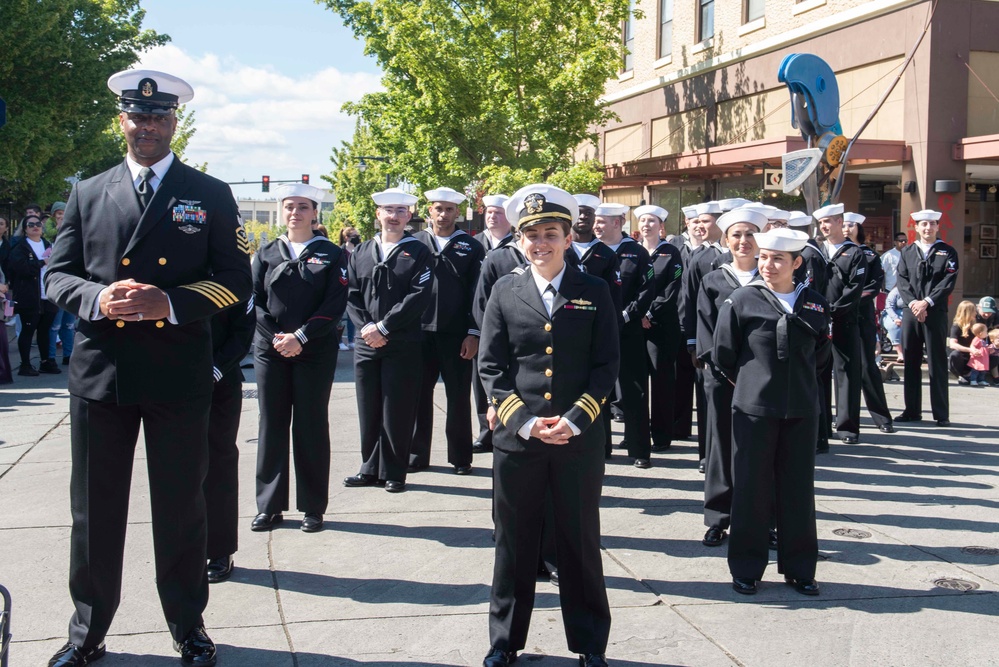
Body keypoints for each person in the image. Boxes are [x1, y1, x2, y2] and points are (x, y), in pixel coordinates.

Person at [43, 69, 252, 666]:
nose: (147, 127)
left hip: (177, 372)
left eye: (159, 117)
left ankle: (189, 625)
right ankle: (86, 632)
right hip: (102, 372)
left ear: (174, 123)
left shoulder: (208, 193)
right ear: (122, 122)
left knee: (182, 508)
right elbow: (57, 274)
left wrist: (173, 303)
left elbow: (237, 280)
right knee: (94, 511)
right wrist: (97, 299)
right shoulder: (89, 192)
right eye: (138, 116)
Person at [479, 184, 619, 667]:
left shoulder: (594, 290)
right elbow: (492, 368)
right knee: (513, 542)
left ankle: (589, 644)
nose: (541, 243)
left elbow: (606, 367)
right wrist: (526, 422)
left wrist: (575, 420)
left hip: (577, 440)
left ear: (567, 237)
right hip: (519, 441)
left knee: (579, 541)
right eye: (532, 235)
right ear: (521, 241)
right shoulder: (504, 289)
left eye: (551, 233)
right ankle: (504, 642)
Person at [713, 228, 830, 597]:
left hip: (801, 411)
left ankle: (800, 569)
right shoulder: (742, 300)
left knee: (798, 490)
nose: (767, 264)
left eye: (777, 259)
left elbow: (823, 358)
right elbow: (723, 357)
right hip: (754, 411)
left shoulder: (813, 303)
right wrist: (753, 389)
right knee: (751, 489)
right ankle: (747, 567)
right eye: (763, 257)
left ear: (796, 263)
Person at [250, 183, 349, 533]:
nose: (295, 212)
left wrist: (301, 336)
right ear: (282, 211)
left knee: (310, 425)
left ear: (314, 213)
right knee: (271, 425)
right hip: (271, 350)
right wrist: (278, 339)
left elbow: (335, 304)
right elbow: (255, 302)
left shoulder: (332, 253)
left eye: (303, 206)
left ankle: (313, 507)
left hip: (314, 351)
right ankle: (269, 506)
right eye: (289, 206)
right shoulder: (266, 253)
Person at [344, 188, 434, 493]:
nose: (393, 216)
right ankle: (369, 467)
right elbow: (351, 294)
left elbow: (418, 297)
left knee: (397, 408)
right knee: (368, 407)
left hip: (402, 342)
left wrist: (384, 327)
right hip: (366, 342)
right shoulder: (361, 251)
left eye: (400, 211)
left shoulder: (420, 252)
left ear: (408, 216)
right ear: (377, 215)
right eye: (388, 210)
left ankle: (395, 471)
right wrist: (367, 328)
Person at [695, 207, 766, 548]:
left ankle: (762, 520)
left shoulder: (771, 280)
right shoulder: (713, 280)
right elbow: (705, 331)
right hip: (722, 377)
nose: (743, 241)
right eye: (736, 235)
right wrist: (724, 370)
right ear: (725, 240)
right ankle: (718, 518)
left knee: (762, 451)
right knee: (720, 446)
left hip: (764, 380)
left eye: (750, 234)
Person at [410, 187, 484, 475]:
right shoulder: (414, 242)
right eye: (438, 209)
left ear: (457, 213)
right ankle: (416, 455)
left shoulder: (471, 246)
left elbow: (478, 294)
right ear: (429, 210)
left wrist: (473, 332)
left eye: (449, 209)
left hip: (456, 335)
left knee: (457, 396)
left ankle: (461, 457)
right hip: (418, 332)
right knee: (418, 395)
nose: (443, 215)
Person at [205, 291, 255, 582]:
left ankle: (218, 549)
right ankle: (181, 549)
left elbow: (242, 331)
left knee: (218, 463)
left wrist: (214, 369)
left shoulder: (229, 272)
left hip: (220, 379)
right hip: (172, 379)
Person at [896, 209, 959, 426]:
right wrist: (914, 303)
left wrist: (927, 302)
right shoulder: (907, 252)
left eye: (932, 224)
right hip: (911, 312)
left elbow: (947, 283)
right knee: (911, 361)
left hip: (935, 312)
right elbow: (902, 281)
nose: (928, 228)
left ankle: (941, 414)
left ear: (938, 227)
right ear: (916, 227)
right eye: (923, 224)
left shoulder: (947, 252)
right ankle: (911, 410)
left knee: (937, 363)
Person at [813, 203, 865, 444]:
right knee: (819, 372)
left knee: (846, 373)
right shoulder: (814, 250)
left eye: (829, 221)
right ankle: (821, 426)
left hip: (844, 320)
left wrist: (834, 311)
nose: (824, 226)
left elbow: (855, 288)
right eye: (821, 222)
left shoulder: (854, 253)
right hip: (818, 321)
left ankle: (847, 427)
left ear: (840, 223)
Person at [680, 201, 724, 470]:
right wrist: (693, 342)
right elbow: (689, 302)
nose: (700, 225)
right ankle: (707, 455)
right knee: (707, 401)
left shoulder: (747, 257)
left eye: (706, 221)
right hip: (708, 342)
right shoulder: (700, 257)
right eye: (697, 221)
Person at [636, 204, 683, 453]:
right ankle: (637, 433)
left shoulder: (671, 252)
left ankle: (662, 436)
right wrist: (638, 313)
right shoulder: (631, 251)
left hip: (662, 325)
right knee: (636, 382)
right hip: (635, 324)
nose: (647, 225)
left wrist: (650, 312)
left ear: (661, 226)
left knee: (662, 380)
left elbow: (672, 288)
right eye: (643, 220)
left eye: (652, 221)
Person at [843, 212, 894, 433]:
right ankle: (844, 421)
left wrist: (852, 299)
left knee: (867, 365)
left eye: (850, 225)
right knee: (841, 369)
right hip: (837, 315)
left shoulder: (870, 255)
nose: (846, 228)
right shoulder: (832, 253)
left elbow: (875, 285)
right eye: (842, 224)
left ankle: (882, 417)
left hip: (861, 313)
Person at [472, 194, 514, 454]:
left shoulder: (517, 245)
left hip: (511, 325)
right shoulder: (473, 243)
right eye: (488, 211)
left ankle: (508, 427)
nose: (492, 216)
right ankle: (485, 432)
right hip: (479, 323)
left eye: (498, 212)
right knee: (481, 382)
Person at [7, 215, 60, 376]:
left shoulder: (47, 244)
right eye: (30, 225)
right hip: (29, 296)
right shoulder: (20, 247)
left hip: (47, 294)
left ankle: (46, 361)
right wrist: (41, 263)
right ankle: (25, 364)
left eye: (38, 224)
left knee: (45, 330)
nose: (35, 227)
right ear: (25, 229)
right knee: (28, 330)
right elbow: (20, 268)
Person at [47, 207, 77, 365]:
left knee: (69, 324)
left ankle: (68, 355)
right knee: (55, 325)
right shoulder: (50, 237)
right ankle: (50, 357)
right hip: (57, 287)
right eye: (59, 216)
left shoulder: (74, 235)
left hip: (72, 285)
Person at [338, 226, 362, 350]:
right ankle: (339, 340)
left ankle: (352, 340)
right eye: (354, 236)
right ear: (346, 237)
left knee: (353, 313)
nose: (357, 238)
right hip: (341, 286)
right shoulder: (339, 251)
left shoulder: (360, 250)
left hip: (353, 286)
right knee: (339, 315)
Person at [947, 300, 978, 384]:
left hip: (974, 356)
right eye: (973, 311)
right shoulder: (956, 326)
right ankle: (961, 375)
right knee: (955, 355)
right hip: (962, 357)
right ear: (967, 313)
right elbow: (952, 344)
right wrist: (969, 350)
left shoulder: (976, 325)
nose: (976, 313)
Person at [882, 286, 905, 362]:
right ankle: (900, 354)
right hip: (893, 314)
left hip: (909, 314)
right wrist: (895, 318)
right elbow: (889, 307)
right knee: (894, 326)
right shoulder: (896, 291)